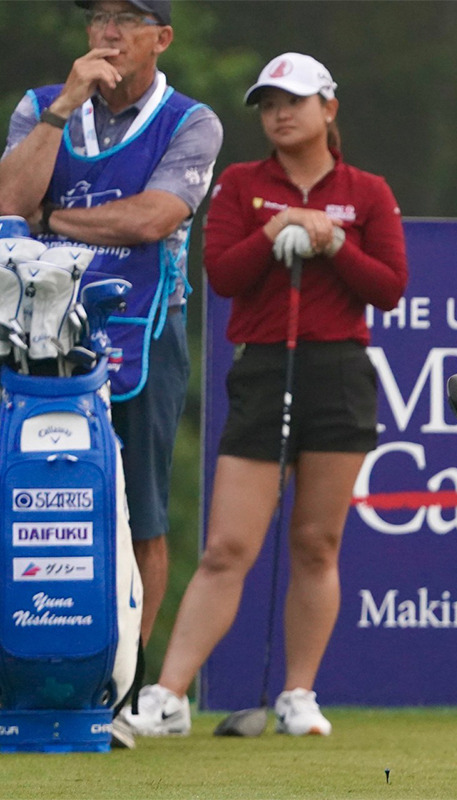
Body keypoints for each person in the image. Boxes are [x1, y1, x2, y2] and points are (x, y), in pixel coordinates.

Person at [124, 52, 408, 738]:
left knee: (316, 543)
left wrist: (333, 243)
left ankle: (298, 695)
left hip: (338, 374)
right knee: (228, 546)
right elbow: (223, 274)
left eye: (294, 102)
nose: (279, 114)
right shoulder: (242, 185)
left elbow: (388, 287)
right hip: (262, 371)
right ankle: (169, 696)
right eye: (269, 105)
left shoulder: (367, 192)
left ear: (328, 109)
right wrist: (274, 231)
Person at [0, 0, 222, 747]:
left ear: (162, 37)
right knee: (17, 494)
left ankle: (121, 690)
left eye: (127, 17)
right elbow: (6, 202)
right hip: (29, 334)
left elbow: (153, 219)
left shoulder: (190, 121)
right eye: (97, 16)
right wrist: (62, 108)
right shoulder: (41, 105)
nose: (108, 32)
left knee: (142, 514)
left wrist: (51, 219)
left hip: (143, 333)